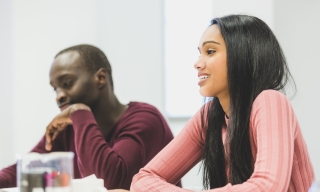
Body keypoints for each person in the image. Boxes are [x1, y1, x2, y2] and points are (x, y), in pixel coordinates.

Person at [130, 15, 315, 191]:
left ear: (243, 56)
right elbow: (142, 180)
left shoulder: (270, 101)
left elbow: (268, 187)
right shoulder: (209, 116)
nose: (197, 63)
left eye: (210, 51)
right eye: (199, 54)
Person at [0, 44, 181, 190]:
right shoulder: (70, 127)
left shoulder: (145, 119)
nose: (59, 96)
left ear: (101, 78)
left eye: (67, 83)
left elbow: (107, 183)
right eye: (55, 88)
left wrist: (79, 111)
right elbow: (25, 170)